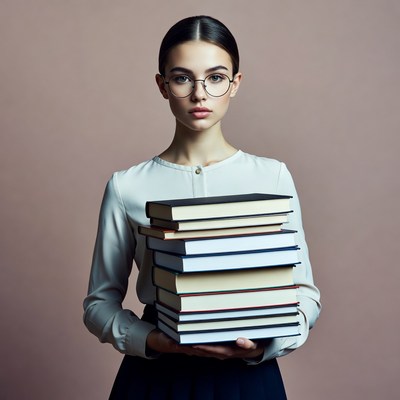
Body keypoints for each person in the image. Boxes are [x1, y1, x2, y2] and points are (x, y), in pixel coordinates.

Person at [83, 15, 321, 400]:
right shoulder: (127, 185)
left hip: (246, 377)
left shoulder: (273, 177)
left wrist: (263, 347)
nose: (200, 94)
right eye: (182, 78)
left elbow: (305, 295)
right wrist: (155, 341)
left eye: (215, 78)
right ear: (162, 85)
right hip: (157, 378)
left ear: (235, 83)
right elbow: (99, 304)